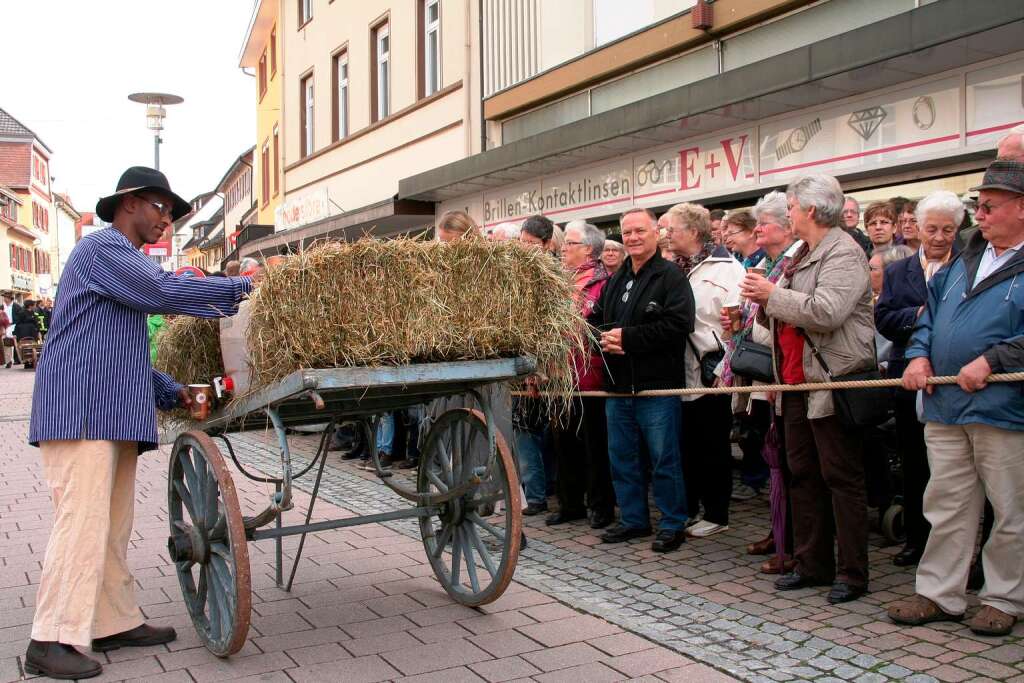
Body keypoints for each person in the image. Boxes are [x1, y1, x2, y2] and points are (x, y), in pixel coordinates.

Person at [25, 166, 256, 680]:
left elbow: (122, 353)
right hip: (80, 410)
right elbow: (165, 293)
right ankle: (50, 639)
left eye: (171, 214)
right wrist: (244, 286)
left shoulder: (122, 260)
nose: (166, 221)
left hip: (109, 411)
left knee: (111, 526)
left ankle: (110, 621)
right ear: (128, 202)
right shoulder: (101, 250)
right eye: (159, 207)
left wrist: (172, 390)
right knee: (81, 524)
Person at [888, 160, 1024, 637]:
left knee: (1011, 509)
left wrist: (993, 360)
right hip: (946, 404)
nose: (978, 216)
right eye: (978, 207)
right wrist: (919, 356)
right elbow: (928, 317)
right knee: (945, 502)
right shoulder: (964, 259)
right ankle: (939, 593)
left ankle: (1004, 597)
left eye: (988, 207)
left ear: (1022, 209)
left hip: (1005, 410)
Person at [741, 173, 874, 604]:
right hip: (796, 383)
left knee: (841, 478)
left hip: (831, 382)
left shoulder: (843, 252)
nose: (789, 214)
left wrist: (770, 296)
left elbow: (827, 312)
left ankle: (851, 573)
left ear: (811, 211)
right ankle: (810, 563)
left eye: (793, 207)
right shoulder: (802, 254)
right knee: (802, 476)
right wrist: (763, 306)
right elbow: (788, 315)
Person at [588, 207, 693, 553]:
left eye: (639, 231)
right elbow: (598, 319)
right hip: (617, 388)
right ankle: (633, 519)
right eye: (627, 232)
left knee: (664, 460)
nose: (632, 238)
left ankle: (672, 523)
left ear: (655, 234)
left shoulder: (671, 277)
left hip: (657, 386)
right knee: (622, 458)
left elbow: (679, 327)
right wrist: (601, 337)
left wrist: (628, 339)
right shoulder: (616, 278)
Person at [875, 191, 962, 569]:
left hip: (954, 378)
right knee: (913, 462)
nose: (940, 237)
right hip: (906, 376)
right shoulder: (898, 270)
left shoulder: (968, 268)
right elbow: (885, 319)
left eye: (948, 229)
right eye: (932, 229)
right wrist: (920, 315)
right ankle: (916, 539)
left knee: (955, 468)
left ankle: (959, 550)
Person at [720, 192, 801, 568]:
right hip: (762, 371)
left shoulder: (792, 263)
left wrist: (761, 308)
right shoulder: (765, 263)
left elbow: (789, 319)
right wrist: (737, 326)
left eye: (763, 225)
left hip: (785, 373)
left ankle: (794, 541)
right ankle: (780, 531)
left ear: (784, 227)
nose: (757, 231)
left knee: (788, 460)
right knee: (774, 457)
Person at [666, 203, 744, 538]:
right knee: (687, 445)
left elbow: (739, 323)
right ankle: (691, 507)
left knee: (712, 444)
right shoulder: (673, 269)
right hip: (678, 372)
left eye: (672, 229)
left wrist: (725, 366)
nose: (666, 234)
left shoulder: (728, 269)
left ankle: (717, 513)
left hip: (712, 371)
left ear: (693, 232)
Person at [547, 220, 616, 529]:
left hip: (590, 376)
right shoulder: (562, 281)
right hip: (561, 376)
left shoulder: (604, 282)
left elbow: (601, 325)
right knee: (565, 443)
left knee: (595, 445)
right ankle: (570, 502)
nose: (564, 249)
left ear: (588, 249)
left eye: (570, 244)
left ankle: (600, 505)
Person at [3, 292, 21, 367]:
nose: (5, 299)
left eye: (6, 297)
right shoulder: (2, 307)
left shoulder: (17, 306)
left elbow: (20, 317)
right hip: (5, 327)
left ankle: (17, 359)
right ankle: (8, 360)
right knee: (6, 343)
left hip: (14, 326)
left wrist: (14, 324)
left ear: (10, 298)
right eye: (4, 297)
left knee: (15, 342)